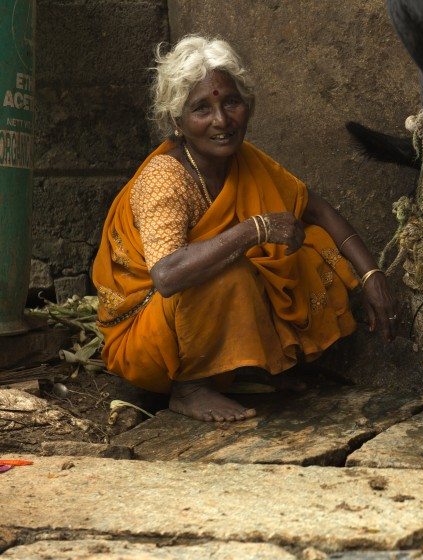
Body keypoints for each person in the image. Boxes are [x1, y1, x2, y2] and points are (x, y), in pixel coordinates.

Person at [92, 35, 397, 423]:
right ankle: (190, 388)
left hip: (186, 318)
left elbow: (316, 209)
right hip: (145, 335)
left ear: (247, 105)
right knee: (233, 271)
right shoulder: (165, 178)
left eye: (230, 102)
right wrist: (254, 230)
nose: (222, 121)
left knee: (310, 247)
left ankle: (248, 368)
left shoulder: (243, 160)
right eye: (202, 108)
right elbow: (167, 275)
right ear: (177, 120)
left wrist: (371, 274)